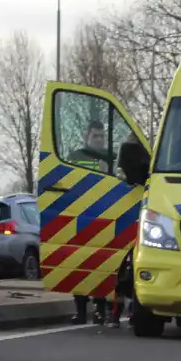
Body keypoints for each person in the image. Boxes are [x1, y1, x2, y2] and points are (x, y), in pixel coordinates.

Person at [64, 120, 113, 325]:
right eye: (96, 136)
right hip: (79, 215)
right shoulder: (74, 157)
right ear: (86, 137)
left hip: (103, 215)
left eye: (102, 136)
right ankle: (80, 310)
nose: (100, 140)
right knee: (78, 264)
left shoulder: (110, 158)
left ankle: (101, 310)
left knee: (100, 265)